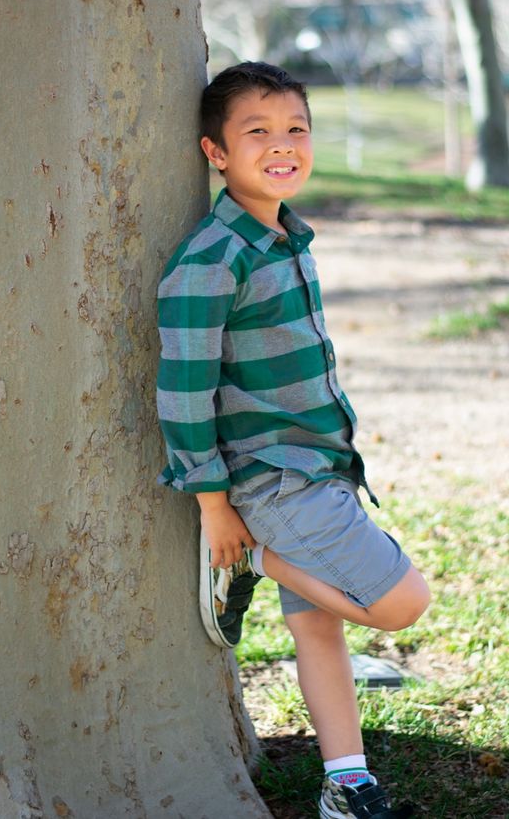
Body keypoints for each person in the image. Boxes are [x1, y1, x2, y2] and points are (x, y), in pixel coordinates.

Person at [156, 61, 430, 819]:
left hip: (318, 463)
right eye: (258, 132)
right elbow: (182, 394)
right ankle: (251, 559)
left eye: (295, 130)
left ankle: (346, 784)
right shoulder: (210, 261)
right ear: (215, 152)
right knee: (401, 602)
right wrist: (217, 509)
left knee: (321, 627)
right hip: (273, 481)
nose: (283, 145)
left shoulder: (286, 235)